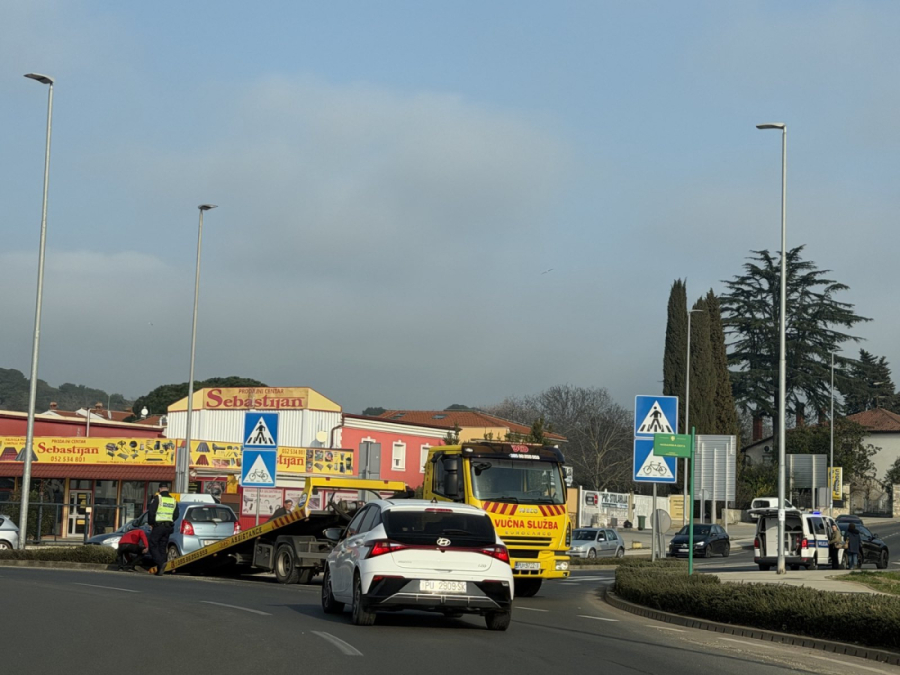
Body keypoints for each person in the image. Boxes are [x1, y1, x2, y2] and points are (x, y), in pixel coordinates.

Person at [148, 483, 180, 576]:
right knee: (162, 546)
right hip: (168, 527)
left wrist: (151, 523)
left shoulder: (158, 498)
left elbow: (151, 512)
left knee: (152, 544)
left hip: (159, 526)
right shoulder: (173, 500)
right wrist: (169, 520)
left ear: (160, 489)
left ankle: (160, 562)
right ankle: (160, 570)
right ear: (167, 489)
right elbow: (176, 514)